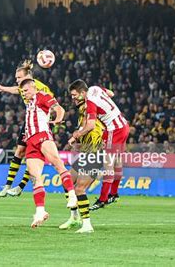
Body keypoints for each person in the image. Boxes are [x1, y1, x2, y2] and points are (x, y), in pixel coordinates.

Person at [19, 79, 77, 228]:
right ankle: (40, 211)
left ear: (33, 87)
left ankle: (72, 195)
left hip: (42, 135)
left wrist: (58, 120)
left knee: (58, 164)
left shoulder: (42, 96)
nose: (23, 93)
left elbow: (59, 109)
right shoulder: (30, 102)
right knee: (34, 177)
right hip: (30, 141)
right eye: (22, 91)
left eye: (25, 90)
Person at [0, 60, 53, 197]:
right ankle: (8, 185)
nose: (17, 80)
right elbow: (16, 89)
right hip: (29, 123)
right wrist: (2, 87)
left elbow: (52, 103)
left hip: (41, 125)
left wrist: (54, 117)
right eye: (16, 78)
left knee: (32, 157)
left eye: (19, 78)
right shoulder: (24, 87)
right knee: (19, 151)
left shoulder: (40, 88)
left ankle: (20, 186)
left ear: (28, 77)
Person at [68, 79, 129, 211]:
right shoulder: (95, 88)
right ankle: (113, 193)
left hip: (114, 129)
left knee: (108, 164)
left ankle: (103, 199)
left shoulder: (90, 102)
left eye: (75, 95)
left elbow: (90, 126)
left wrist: (76, 135)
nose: (73, 98)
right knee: (117, 161)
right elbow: (111, 93)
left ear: (83, 92)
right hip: (123, 124)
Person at [60, 100, 105, 233]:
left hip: (95, 153)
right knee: (67, 181)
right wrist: (76, 139)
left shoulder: (95, 119)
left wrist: (78, 134)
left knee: (79, 189)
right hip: (85, 153)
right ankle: (75, 218)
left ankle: (87, 225)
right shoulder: (82, 118)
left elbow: (95, 132)